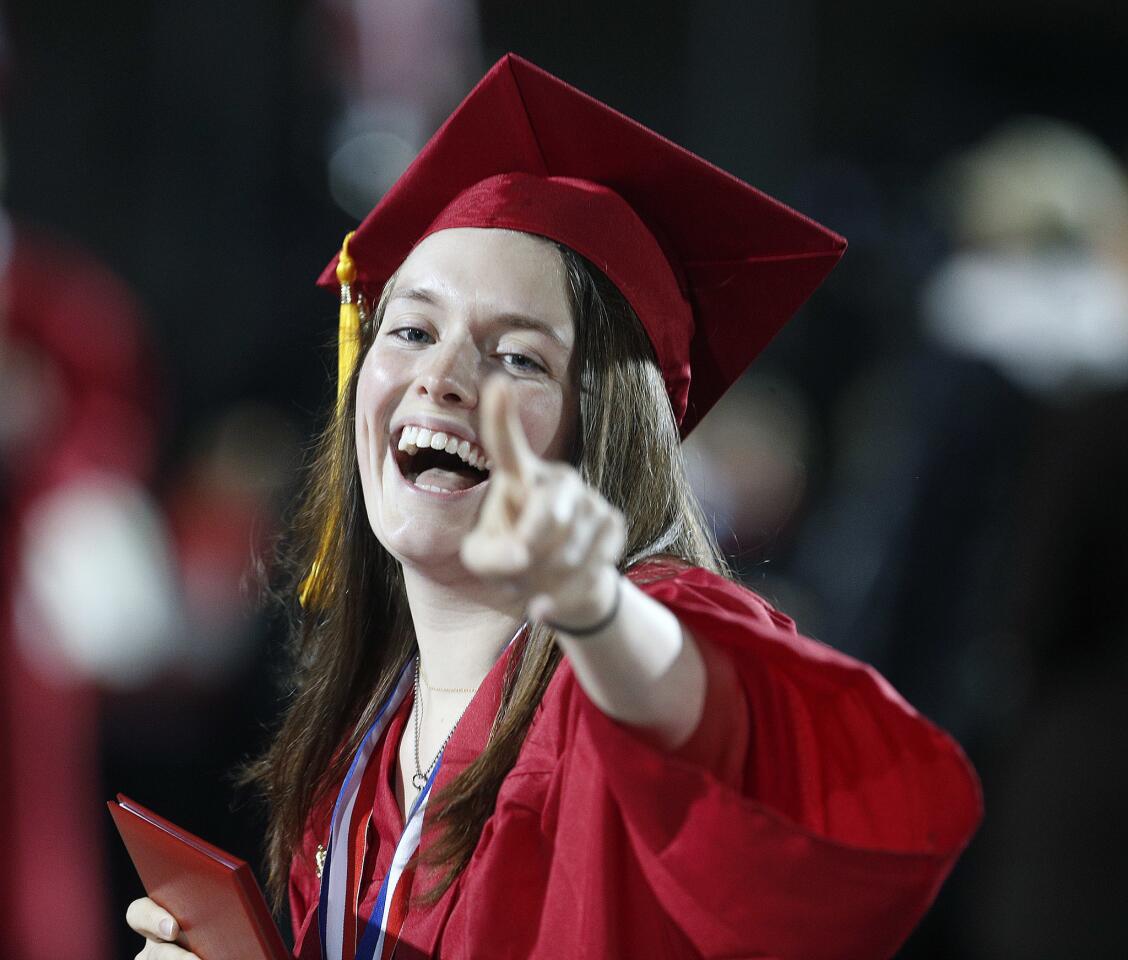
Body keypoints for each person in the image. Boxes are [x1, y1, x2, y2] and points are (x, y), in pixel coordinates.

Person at [127, 54, 981, 960]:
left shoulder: (639, 652)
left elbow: (733, 735)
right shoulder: (362, 757)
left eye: (519, 358)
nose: (442, 378)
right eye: (411, 329)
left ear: (603, 436)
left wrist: (596, 612)